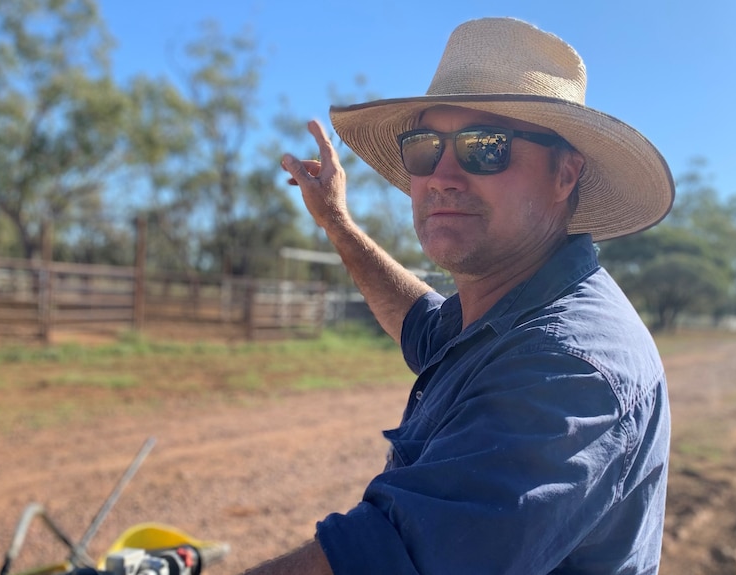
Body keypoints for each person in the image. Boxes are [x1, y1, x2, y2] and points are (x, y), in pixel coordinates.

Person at [244, 17, 674, 575]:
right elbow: (420, 321)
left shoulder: (567, 370)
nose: (443, 174)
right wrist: (337, 223)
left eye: (484, 146)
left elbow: (389, 561)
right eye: (424, 147)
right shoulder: (509, 312)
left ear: (565, 173)